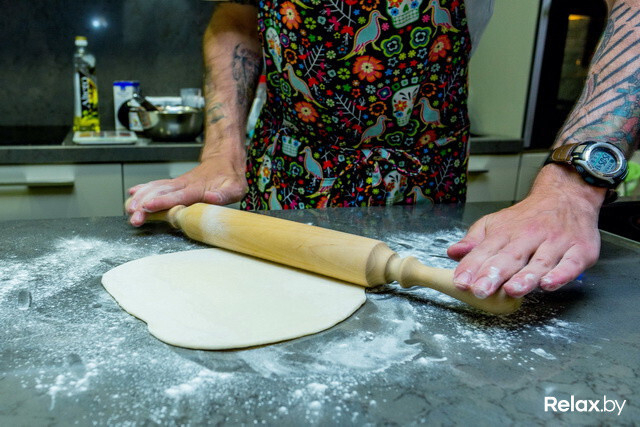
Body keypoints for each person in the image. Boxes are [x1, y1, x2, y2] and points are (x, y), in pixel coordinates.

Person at [127, 0, 638, 300]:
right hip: (286, 168)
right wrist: (222, 152)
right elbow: (236, 17)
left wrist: (573, 187)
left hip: (421, 177)